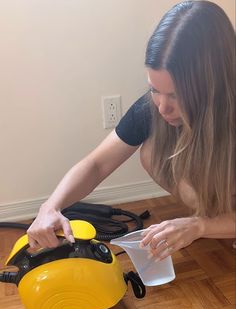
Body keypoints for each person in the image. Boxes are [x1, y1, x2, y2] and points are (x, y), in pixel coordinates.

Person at [27, 0, 236, 261]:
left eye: (176, 95)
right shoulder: (152, 108)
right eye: (154, 89)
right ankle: (222, 223)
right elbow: (97, 164)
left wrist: (199, 226)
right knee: (151, 152)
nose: (162, 107)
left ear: (214, 85)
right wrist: (51, 206)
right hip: (220, 197)